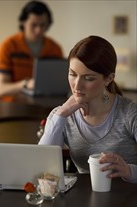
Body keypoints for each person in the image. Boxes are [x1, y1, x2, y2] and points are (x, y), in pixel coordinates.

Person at [39, 35, 137, 183]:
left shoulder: (130, 114)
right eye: (72, 74)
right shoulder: (62, 115)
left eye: (88, 78)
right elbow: (41, 167)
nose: (77, 86)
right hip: (84, 202)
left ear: (109, 79)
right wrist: (61, 114)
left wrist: (128, 171)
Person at [0, 0, 63, 100]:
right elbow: (0, 89)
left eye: (42, 25)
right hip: (13, 107)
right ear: (23, 22)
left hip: (44, 107)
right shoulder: (8, 46)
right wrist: (25, 84)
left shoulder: (55, 48)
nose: (38, 30)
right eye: (33, 25)